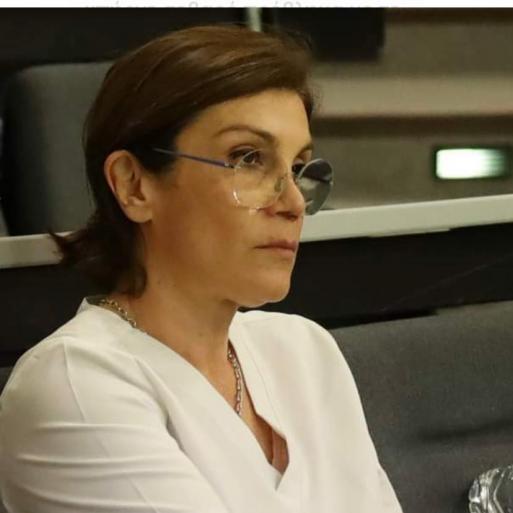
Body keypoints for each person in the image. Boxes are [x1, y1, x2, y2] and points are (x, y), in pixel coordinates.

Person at [0, 24, 403, 513]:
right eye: (248, 159)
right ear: (133, 186)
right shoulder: (73, 384)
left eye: (298, 168)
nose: (294, 203)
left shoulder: (304, 350)